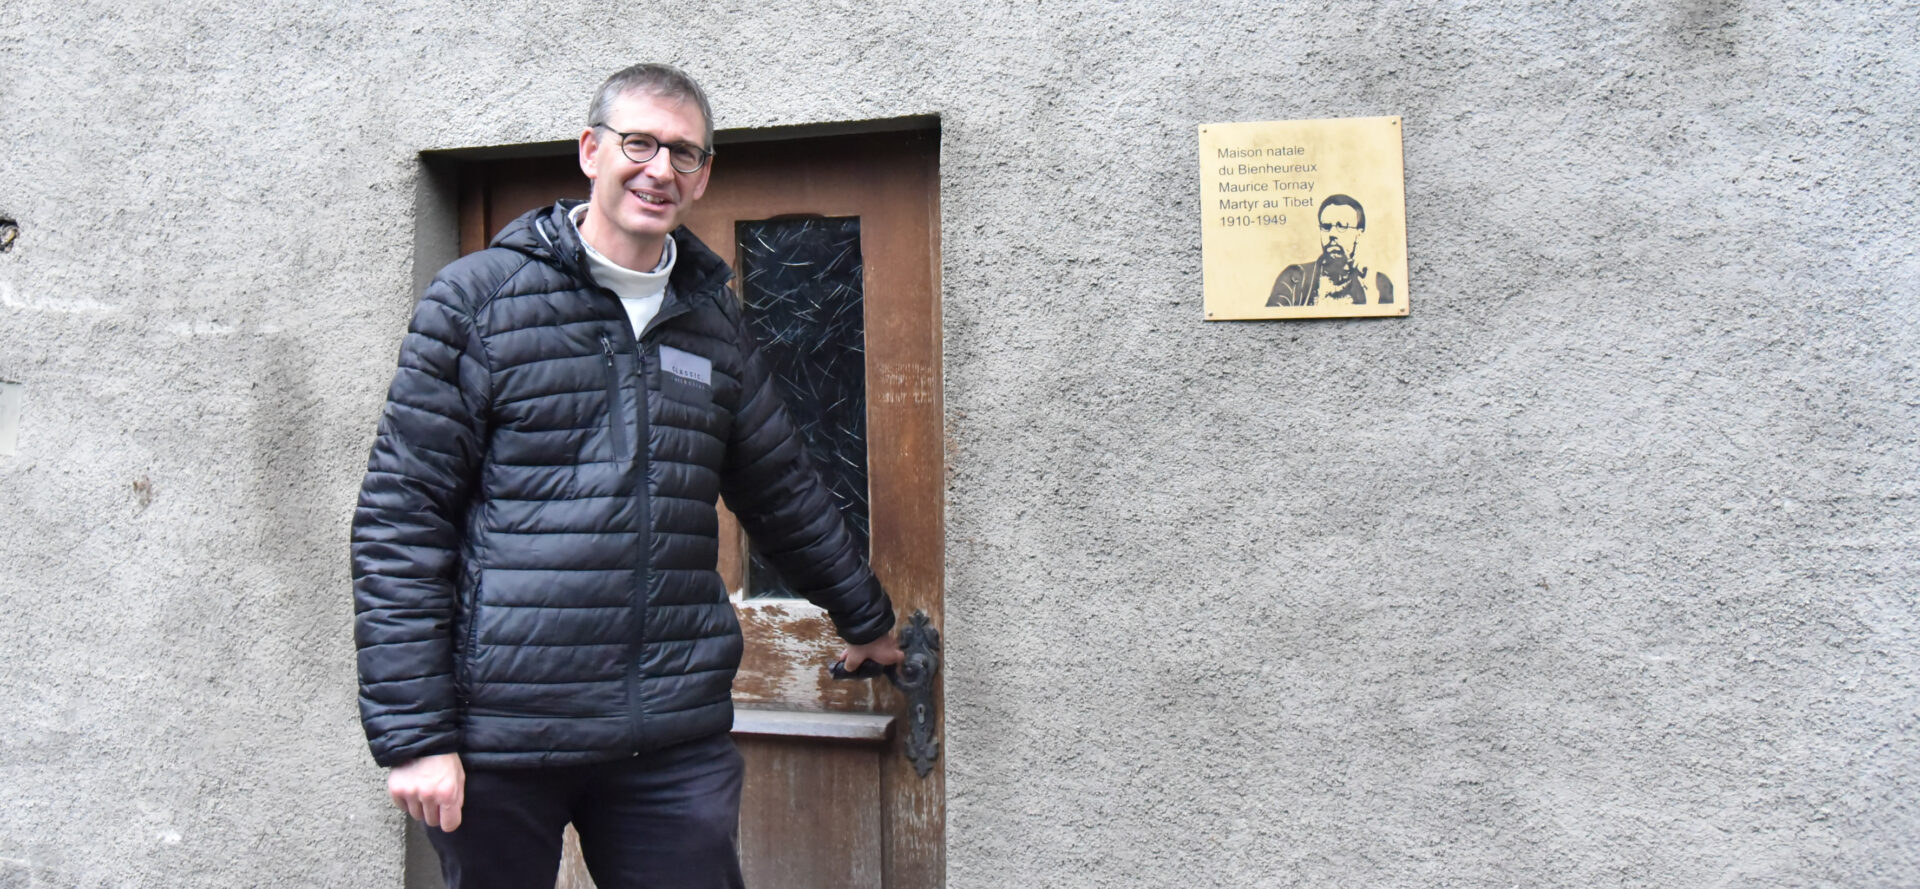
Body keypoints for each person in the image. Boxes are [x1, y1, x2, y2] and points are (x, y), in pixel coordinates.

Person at [351, 63, 903, 889]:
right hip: (504, 733)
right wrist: (416, 736)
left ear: (704, 174)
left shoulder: (711, 321)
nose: (659, 169)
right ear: (590, 150)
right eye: (638, 142)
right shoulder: (478, 302)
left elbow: (780, 488)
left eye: (684, 153)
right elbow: (402, 520)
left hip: (668, 740)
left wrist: (865, 617)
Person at [1265, 193, 1395, 308]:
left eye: (1341, 226)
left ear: (1358, 233)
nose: (1332, 234)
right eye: (1326, 227)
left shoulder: (1379, 284)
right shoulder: (1294, 278)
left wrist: (1370, 292)